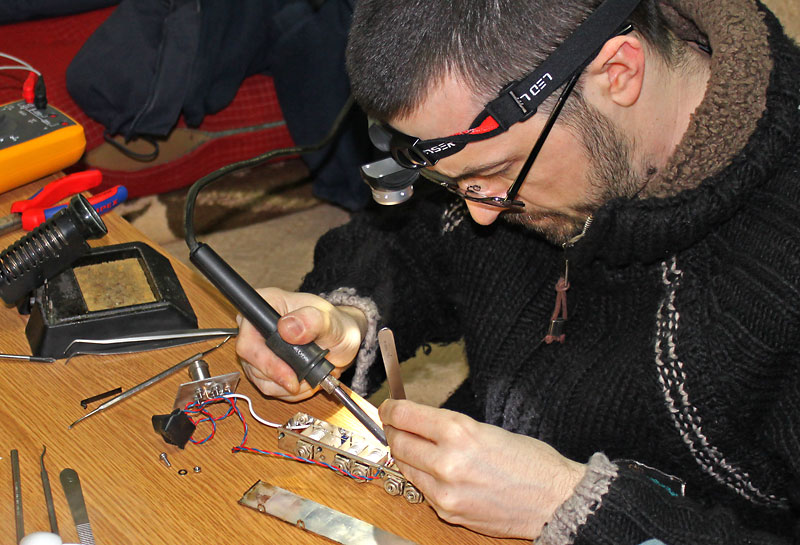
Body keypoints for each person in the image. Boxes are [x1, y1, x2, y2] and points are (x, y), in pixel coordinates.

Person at [235, 0, 800, 542]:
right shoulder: (518, 148)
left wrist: (564, 502)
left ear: (619, 72)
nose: (479, 212)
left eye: (499, 171)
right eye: (450, 180)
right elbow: (417, 241)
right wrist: (344, 318)